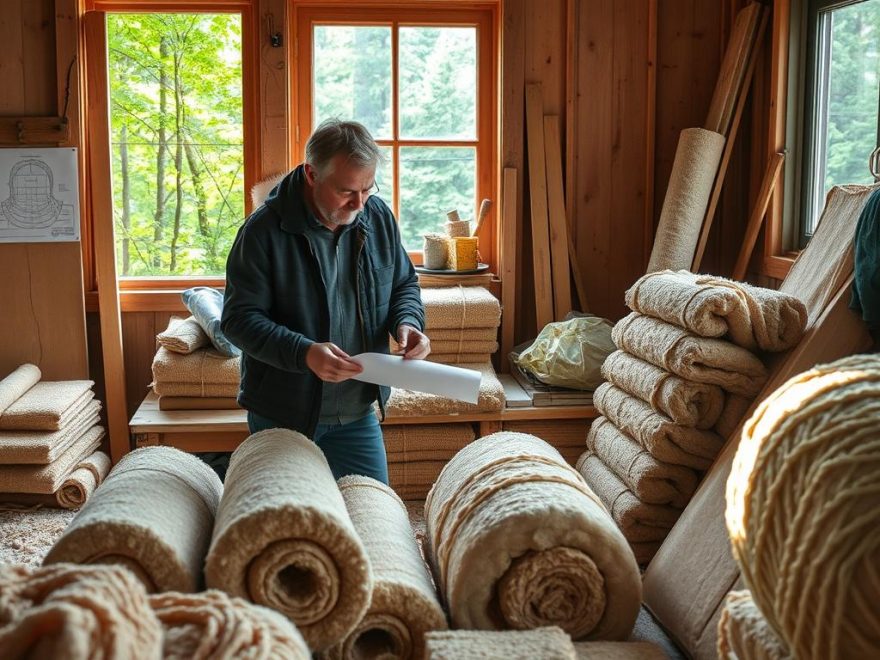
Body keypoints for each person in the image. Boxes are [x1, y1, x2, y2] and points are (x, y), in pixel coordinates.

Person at [220, 119, 429, 484]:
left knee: (371, 515)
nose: (360, 202)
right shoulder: (262, 231)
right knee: (285, 524)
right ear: (311, 175)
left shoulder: (376, 215)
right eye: (347, 190)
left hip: (358, 413)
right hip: (283, 414)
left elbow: (403, 284)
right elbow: (239, 320)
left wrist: (407, 323)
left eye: (368, 188)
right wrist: (304, 353)